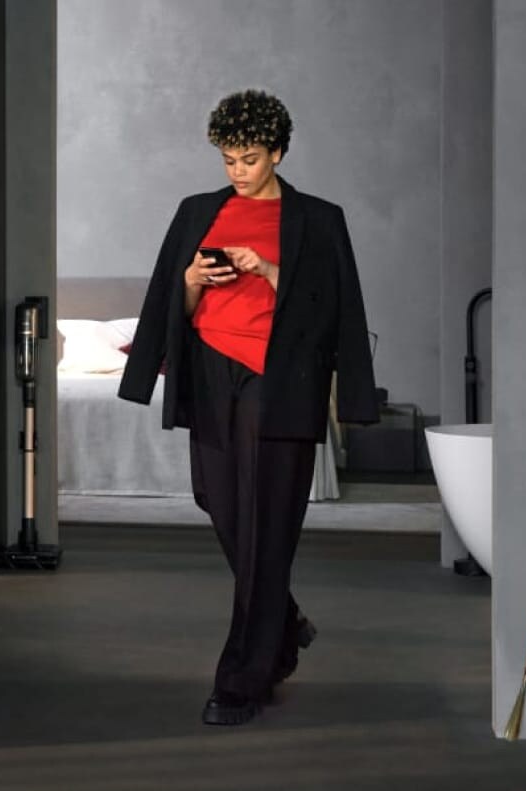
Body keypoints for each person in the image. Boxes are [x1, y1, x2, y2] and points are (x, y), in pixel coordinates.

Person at [118, 89, 380, 726]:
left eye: (251, 158)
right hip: (210, 371)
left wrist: (265, 267)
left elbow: (333, 312)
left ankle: (241, 678)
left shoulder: (319, 219)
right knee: (218, 499)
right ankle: (284, 623)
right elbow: (166, 305)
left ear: (279, 152)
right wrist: (189, 283)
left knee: (267, 525)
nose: (238, 171)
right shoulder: (195, 213)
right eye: (229, 159)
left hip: (278, 377)